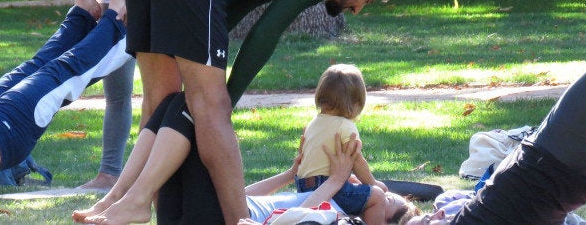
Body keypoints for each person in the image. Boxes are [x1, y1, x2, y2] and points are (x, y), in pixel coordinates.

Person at [124, 0, 400, 222]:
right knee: (211, 109)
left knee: (162, 101)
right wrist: (226, 97)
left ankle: (132, 205)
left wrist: (188, 48)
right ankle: (236, 220)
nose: (358, 9)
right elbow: (266, 32)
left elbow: (231, 11)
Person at [72, 92, 418, 224]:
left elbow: (301, 210)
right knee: (174, 103)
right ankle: (119, 197)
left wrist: (339, 180)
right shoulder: (334, 198)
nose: (383, 191)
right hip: (206, 212)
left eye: (390, 201)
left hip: (217, 219)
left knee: (188, 104)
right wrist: (288, 173)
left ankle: (128, 199)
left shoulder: (337, 213)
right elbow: (244, 196)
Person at [0, 0, 131, 199]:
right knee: (61, 71)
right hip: (6, 128)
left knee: (37, 65)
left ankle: (81, 12)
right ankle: (118, 16)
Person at [403, 58, 586, 224]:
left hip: (561, 174)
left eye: (426, 216)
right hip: (554, 161)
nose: (435, 214)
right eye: (427, 223)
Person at [58, 0, 153, 190]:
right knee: (117, 93)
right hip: (110, 4)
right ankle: (110, 174)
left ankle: (156, 171)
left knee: (158, 90)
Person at [295, 64, 388, 224]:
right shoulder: (345, 126)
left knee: (354, 186)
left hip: (304, 186)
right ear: (356, 103)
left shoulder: (313, 123)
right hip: (326, 186)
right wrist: (372, 183)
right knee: (377, 196)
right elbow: (356, 160)